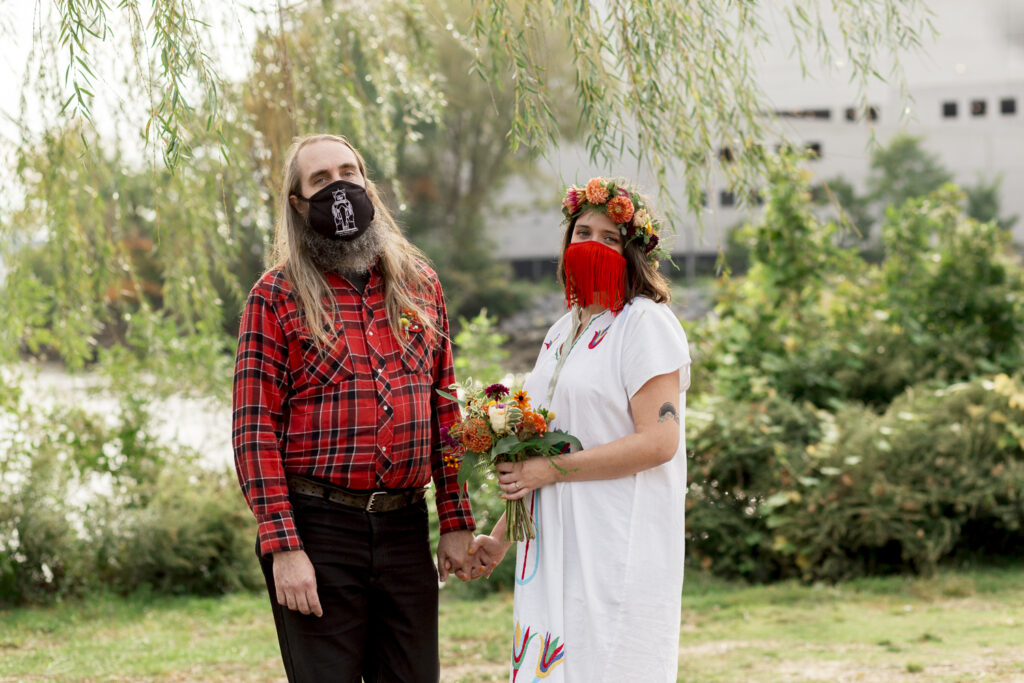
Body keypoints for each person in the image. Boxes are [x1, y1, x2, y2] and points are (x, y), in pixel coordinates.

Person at [232, 133, 475, 683]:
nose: (338, 188)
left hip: (405, 528)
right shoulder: (275, 297)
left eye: (348, 173)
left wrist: (456, 521)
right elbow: (253, 432)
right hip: (319, 530)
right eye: (320, 181)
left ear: (367, 184)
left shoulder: (419, 286)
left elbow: (445, 413)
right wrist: (284, 549)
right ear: (297, 203)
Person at [468, 177, 690, 682]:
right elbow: (541, 450)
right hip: (551, 546)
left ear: (632, 252)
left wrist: (551, 470)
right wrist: (504, 537)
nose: (591, 245)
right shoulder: (563, 331)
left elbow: (659, 441)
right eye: (582, 232)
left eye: (609, 238)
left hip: (613, 540)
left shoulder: (644, 323)